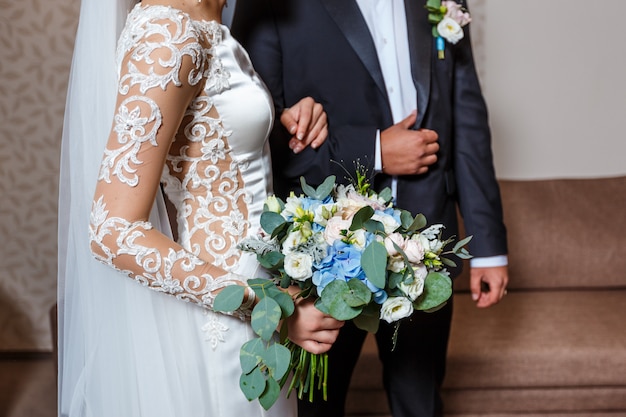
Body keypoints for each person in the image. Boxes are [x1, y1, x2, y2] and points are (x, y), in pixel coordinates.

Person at [57, 0, 342, 416]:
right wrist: (269, 306)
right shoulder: (168, 36)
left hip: (261, 300)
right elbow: (112, 231)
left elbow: (207, 149)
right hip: (224, 316)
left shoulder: (209, 20)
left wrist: (279, 122)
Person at [231, 0, 509, 416]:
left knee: (421, 401)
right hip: (322, 249)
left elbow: (466, 117)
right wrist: (375, 151)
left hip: (426, 244)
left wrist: (489, 247)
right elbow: (257, 134)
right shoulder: (273, 4)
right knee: (315, 406)